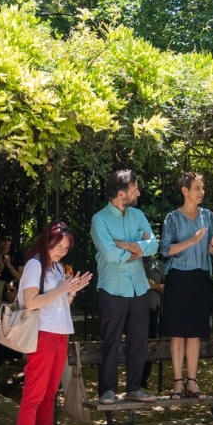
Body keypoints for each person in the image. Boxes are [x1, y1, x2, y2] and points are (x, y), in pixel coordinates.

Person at [14, 223, 93, 425]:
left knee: (50, 393)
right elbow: (30, 302)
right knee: (34, 393)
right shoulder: (35, 264)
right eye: (59, 246)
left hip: (60, 333)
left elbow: (61, 302)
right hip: (42, 333)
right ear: (47, 241)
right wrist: (61, 289)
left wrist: (72, 291)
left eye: (66, 248)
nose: (62, 251)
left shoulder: (58, 267)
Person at [91, 170, 158, 402]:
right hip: (112, 288)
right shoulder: (99, 219)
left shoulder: (138, 215)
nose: (138, 193)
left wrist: (125, 245)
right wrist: (138, 249)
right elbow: (110, 255)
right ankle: (107, 390)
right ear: (122, 193)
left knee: (138, 341)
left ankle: (134, 388)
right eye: (135, 189)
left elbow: (153, 245)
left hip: (140, 287)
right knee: (111, 340)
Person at [160, 172, 213, 397]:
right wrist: (192, 241)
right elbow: (165, 250)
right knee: (178, 333)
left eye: (202, 188)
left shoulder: (208, 215)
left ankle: (192, 382)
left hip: (200, 277)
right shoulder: (172, 218)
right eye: (197, 188)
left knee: (195, 333)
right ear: (185, 191)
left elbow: (210, 252)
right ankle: (178, 383)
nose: (202, 192)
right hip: (178, 278)